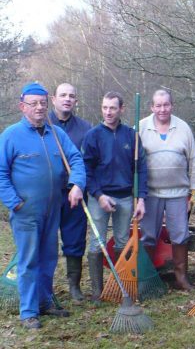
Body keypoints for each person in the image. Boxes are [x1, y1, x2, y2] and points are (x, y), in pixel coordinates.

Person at [0, 82, 85, 329]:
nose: (39, 108)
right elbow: (1, 173)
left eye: (42, 103)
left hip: (54, 209)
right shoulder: (11, 136)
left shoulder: (57, 135)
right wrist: (14, 203)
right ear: (22, 106)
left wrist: (77, 184)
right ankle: (28, 312)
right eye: (33, 103)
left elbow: (76, 159)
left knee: (49, 257)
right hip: (26, 211)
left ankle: (44, 303)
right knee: (29, 260)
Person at [82, 91, 147, 302]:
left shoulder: (131, 136)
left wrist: (141, 198)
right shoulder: (93, 136)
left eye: (112, 108)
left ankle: (121, 286)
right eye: (105, 108)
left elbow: (141, 169)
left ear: (121, 109)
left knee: (122, 241)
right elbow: (87, 171)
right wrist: (99, 195)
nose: (108, 112)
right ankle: (97, 291)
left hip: (126, 198)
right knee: (97, 242)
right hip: (99, 197)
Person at [139, 89, 195, 290]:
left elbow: (193, 159)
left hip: (178, 193)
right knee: (148, 234)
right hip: (150, 193)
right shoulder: (141, 127)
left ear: (172, 106)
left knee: (180, 234)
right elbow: (132, 161)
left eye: (166, 105)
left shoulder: (182, 128)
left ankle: (181, 278)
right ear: (151, 107)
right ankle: (148, 278)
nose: (162, 109)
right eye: (158, 105)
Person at [48, 83, 92, 303]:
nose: (67, 99)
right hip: (47, 195)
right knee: (46, 241)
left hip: (75, 194)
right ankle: (45, 289)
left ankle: (74, 286)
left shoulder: (86, 129)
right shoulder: (41, 124)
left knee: (74, 240)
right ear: (53, 98)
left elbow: (90, 163)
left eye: (71, 96)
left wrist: (82, 187)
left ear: (76, 101)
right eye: (63, 95)